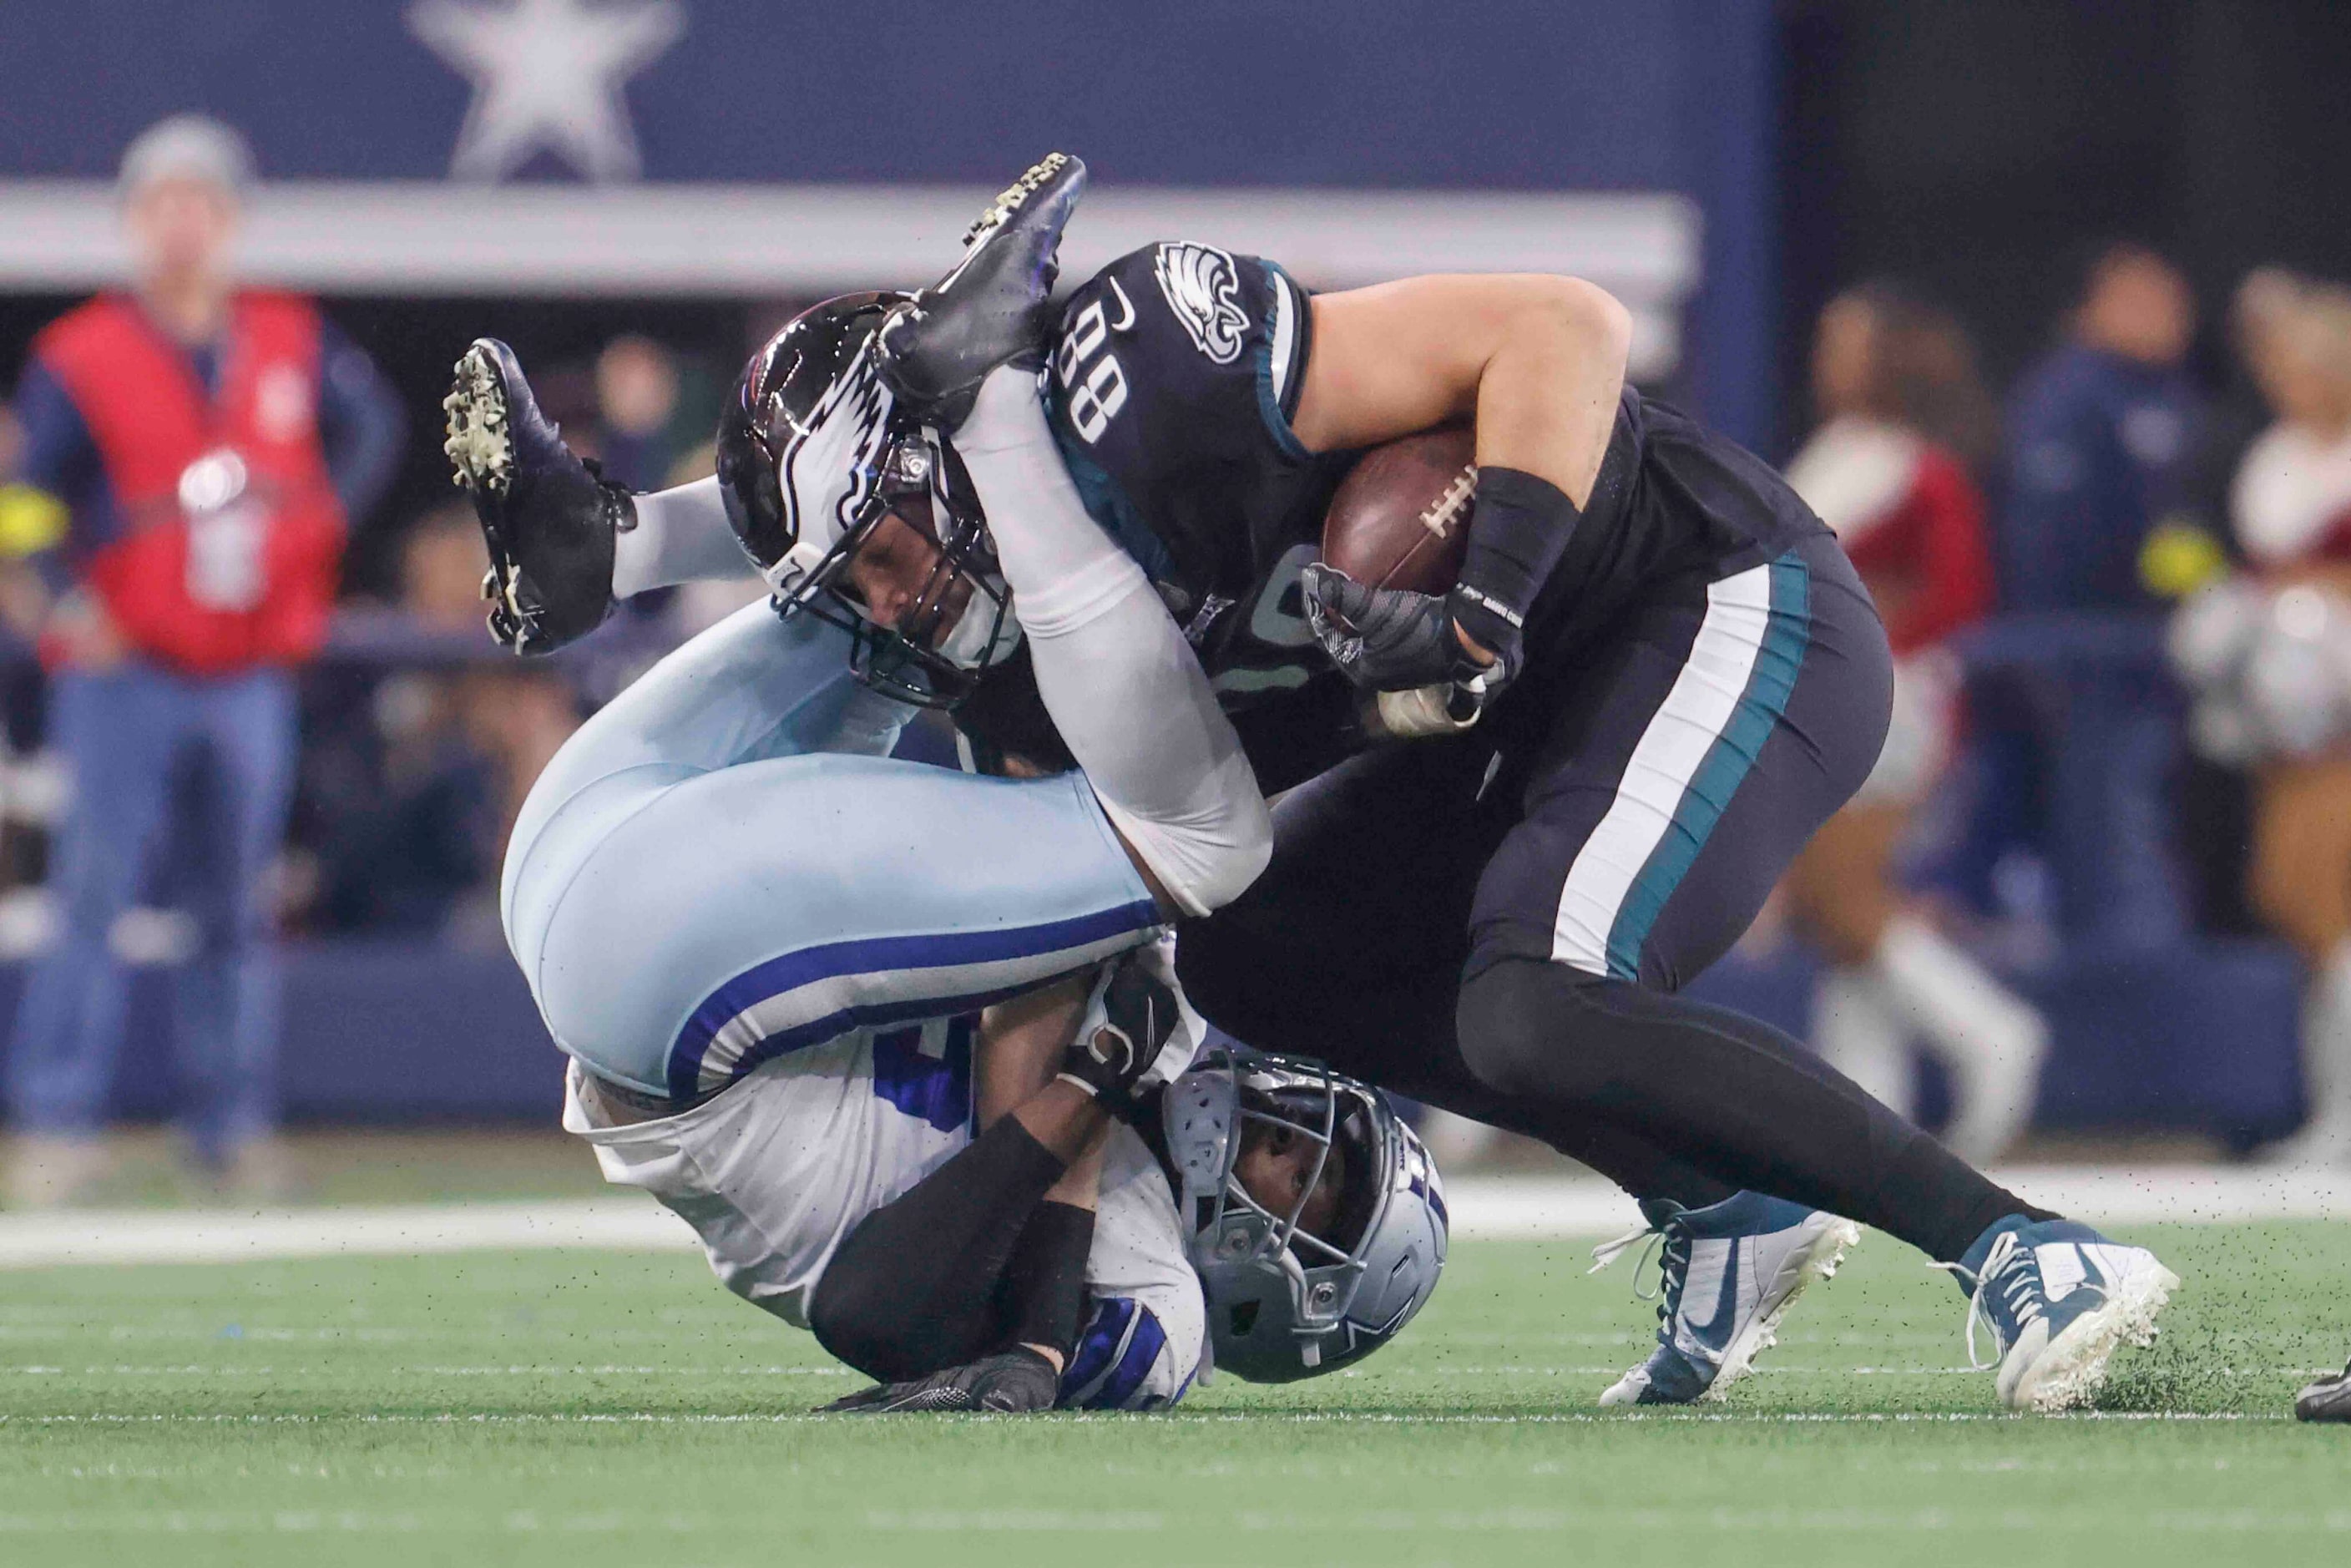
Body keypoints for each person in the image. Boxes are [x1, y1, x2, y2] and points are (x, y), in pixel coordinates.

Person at [472, 156, 2177, 1415]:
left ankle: (2021, 1245)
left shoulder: (1146, 377)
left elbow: (1555, 328)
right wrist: (1040, 1330)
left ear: (947, 454)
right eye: (858, 593)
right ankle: (1715, 1206)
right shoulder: (1004, 647)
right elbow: (1053, 984)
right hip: (1495, 720)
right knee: (1245, 953)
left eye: (898, 553)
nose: (898, 605)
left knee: (1533, 1001)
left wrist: (1489, 600)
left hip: (1699, 600)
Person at [445, 331, 1445, 1404]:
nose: (1291, 1149)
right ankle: (612, 542)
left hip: (666, 991)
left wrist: (1085, 1092)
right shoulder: (1173, 1031)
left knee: (1209, 842)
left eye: (1315, 1188)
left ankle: (992, 399)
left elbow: (879, 1311)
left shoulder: (1158, 1307)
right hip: (591, 835)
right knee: (935, 604)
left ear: (1275, 1292)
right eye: (1323, 1145)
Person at [0, 116, 402, 1206]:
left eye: (200, 203)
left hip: (246, 667)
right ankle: (56, 1117)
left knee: (234, 906)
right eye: (161, 203)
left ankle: (227, 1125)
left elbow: (374, 428)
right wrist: (69, 599)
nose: (181, 225)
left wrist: (319, 517)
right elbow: (25, 497)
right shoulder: (79, 356)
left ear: (229, 222)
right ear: (133, 222)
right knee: (95, 896)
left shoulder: (285, 335)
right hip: (127, 669)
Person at [1779, 282, 2047, 1162]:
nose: (1826, 360)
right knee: (1830, 907)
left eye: (1842, 343)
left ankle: (1990, 1035)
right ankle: (1866, 1105)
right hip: (1826, 688)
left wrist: (1859, 629)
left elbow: (1959, 592)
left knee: (1844, 896)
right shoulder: (1840, 450)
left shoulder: (1920, 467)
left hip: (1889, 696)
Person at [2173, 277, 2351, 1166]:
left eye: (2303, 363)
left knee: (2324, 894)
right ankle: (2335, 1112)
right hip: (2287, 688)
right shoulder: (2272, 454)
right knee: (2291, 894)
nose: (2284, 378)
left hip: (2342, 685)